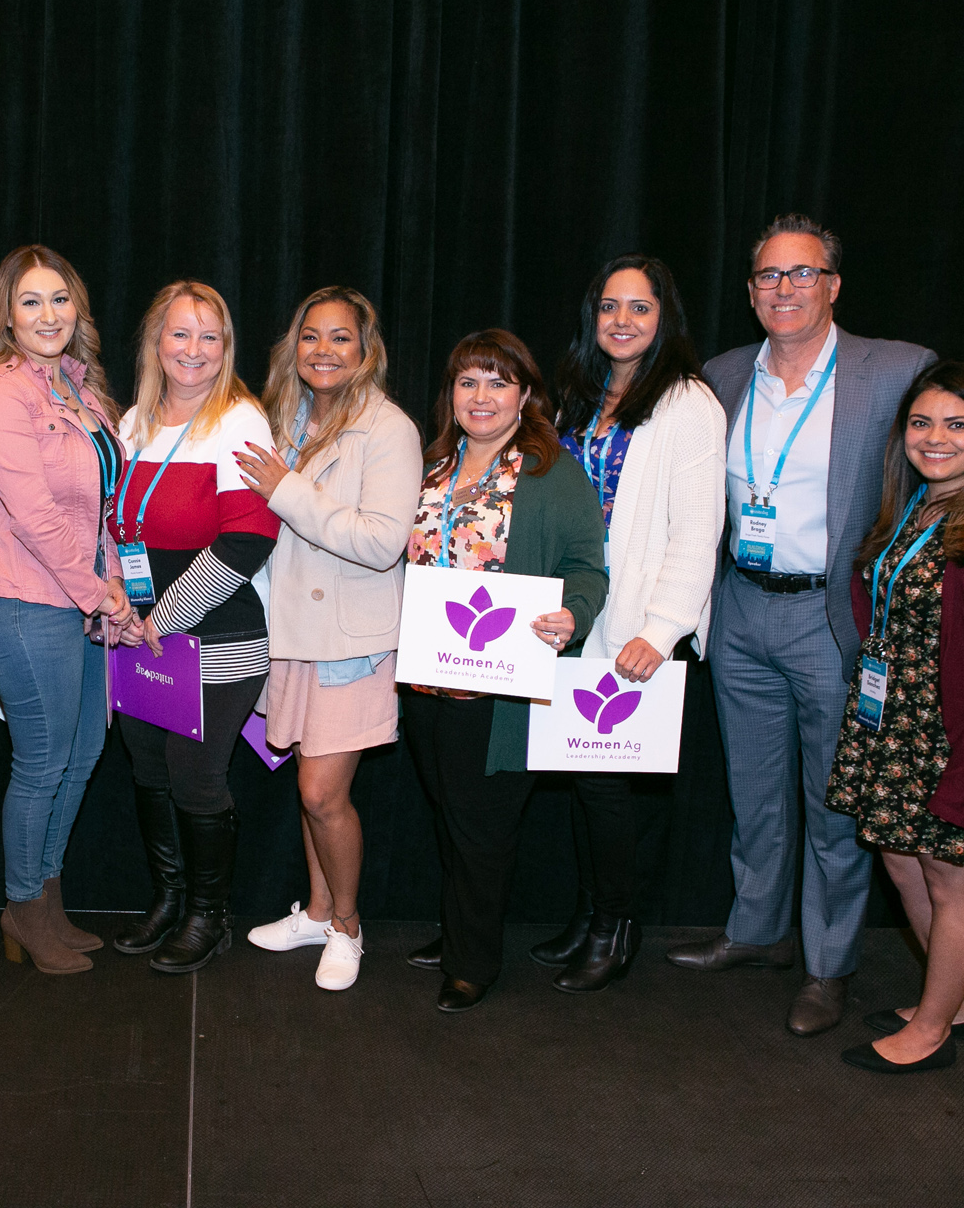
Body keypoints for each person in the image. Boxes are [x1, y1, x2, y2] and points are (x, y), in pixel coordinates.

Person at [668, 213, 936, 1037]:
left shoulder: (894, 371)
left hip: (830, 614)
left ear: (833, 285)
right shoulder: (717, 376)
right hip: (742, 605)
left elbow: (950, 462)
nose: (784, 289)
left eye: (801, 273)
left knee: (833, 803)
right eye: (769, 277)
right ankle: (757, 932)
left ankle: (828, 964)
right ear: (751, 293)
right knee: (753, 793)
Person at [828, 362, 964, 1073]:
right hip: (895, 725)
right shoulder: (916, 510)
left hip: (960, 736)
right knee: (899, 860)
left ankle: (930, 1031)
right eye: (922, 422)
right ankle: (956, 1001)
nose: (936, 438)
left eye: (958, 424)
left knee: (952, 878)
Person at [396, 330, 609, 1012]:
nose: (480, 396)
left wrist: (573, 613)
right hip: (429, 680)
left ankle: (472, 961)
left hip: (501, 687)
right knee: (449, 817)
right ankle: (462, 929)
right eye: (467, 381)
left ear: (524, 393)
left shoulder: (550, 470)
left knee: (484, 827)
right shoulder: (433, 464)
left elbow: (587, 565)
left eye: (496, 381)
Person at [531, 256, 726, 992]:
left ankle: (616, 927)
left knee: (608, 787)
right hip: (573, 614)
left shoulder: (688, 404)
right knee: (582, 781)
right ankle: (589, 913)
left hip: (637, 628)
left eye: (639, 308)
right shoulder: (578, 396)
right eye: (609, 306)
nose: (622, 321)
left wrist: (666, 626)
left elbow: (697, 528)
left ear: (663, 316)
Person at [234, 286, 420, 992]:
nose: (324, 350)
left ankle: (348, 925)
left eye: (341, 337)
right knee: (307, 785)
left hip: (352, 640)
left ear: (366, 349)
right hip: (293, 634)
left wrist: (286, 489)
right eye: (311, 336)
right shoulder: (287, 419)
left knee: (320, 793)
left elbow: (380, 542)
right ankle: (315, 911)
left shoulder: (389, 428)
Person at [0, 244, 133, 975]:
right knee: (41, 762)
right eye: (30, 301)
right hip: (26, 604)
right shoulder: (0, 393)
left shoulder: (80, 388)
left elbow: (100, 508)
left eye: (59, 298)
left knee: (84, 753)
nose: (48, 314)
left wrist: (116, 585)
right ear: (7, 313)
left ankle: (49, 898)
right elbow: (34, 513)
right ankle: (23, 905)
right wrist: (99, 593)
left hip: (82, 601)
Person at [106, 282, 280, 973]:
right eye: (181, 334)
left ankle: (211, 915)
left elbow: (248, 539)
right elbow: (113, 526)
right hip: (143, 630)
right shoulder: (132, 422)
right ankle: (170, 898)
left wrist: (165, 617)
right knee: (149, 770)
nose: (194, 350)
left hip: (218, 635)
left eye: (210, 337)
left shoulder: (239, 420)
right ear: (156, 341)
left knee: (196, 777)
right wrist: (119, 599)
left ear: (226, 347)